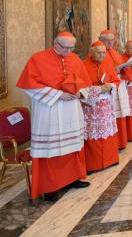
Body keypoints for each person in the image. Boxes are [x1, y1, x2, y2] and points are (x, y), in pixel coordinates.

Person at [16, 32, 90, 200]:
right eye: (65, 47)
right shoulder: (38, 59)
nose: (68, 51)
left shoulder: (75, 59)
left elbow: (85, 81)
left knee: (72, 145)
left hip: (71, 108)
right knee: (51, 148)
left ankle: (72, 179)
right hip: (49, 109)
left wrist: (80, 93)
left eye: (72, 47)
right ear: (55, 43)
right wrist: (57, 95)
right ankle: (50, 187)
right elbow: (29, 85)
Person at [82, 41, 120, 172]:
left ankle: (111, 159)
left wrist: (110, 86)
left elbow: (116, 81)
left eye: (104, 52)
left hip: (106, 106)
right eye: (99, 52)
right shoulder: (83, 65)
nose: (102, 55)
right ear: (91, 53)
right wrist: (98, 89)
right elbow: (80, 88)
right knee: (93, 132)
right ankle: (94, 163)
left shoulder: (108, 64)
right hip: (91, 108)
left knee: (107, 130)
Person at [98, 30, 130, 150]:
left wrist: (124, 67)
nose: (110, 43)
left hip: (119, 84)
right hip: (108, 87)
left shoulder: (115, 53)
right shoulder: (99, 53)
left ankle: (121, 141)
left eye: (112, 40)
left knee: (120, 112)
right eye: (107, 40)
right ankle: (114, 143)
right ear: (100, 40)